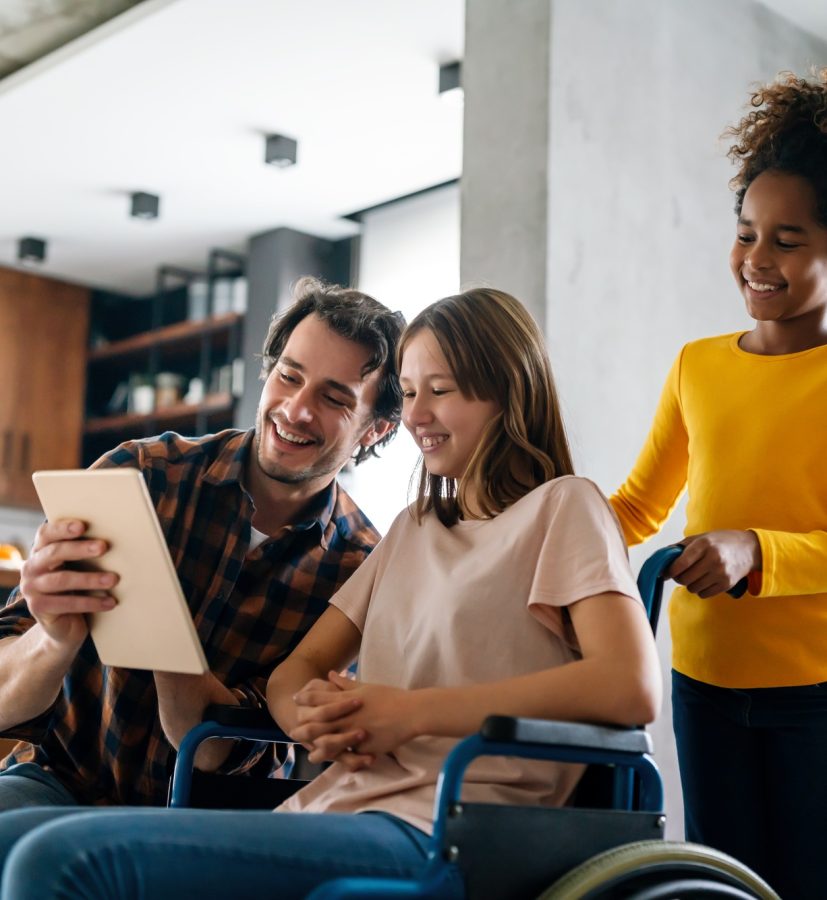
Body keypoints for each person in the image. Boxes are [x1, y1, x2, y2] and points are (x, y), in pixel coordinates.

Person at [0, 288, 660, 899]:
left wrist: (408, 711)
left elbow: (629, 687)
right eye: (288, 376)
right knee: (39, 847)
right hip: (320, 799)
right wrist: (321, 716)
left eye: (440, 391)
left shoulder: (553, 509)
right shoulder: (409, 531)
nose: (418, 416)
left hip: (434, 817)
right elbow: (299, 678)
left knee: (56, 860)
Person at [0, 277, 402, 810]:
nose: (296, 410)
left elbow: (223, 752)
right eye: (288, 376)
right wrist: (52, 638)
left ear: (374, 430)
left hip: (204, 817)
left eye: (333, 399)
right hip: (57, 781)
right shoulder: (140, 474)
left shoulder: (362, 567)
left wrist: (162, 630)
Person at [608, 70, 827, 900]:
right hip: (699, 683)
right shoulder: (696, 365)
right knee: (720, 889)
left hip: (814, 696)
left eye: (787, 238)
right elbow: (635, 508)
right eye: (745, 233)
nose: (755, 259)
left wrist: (753, 550)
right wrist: (531, 514)